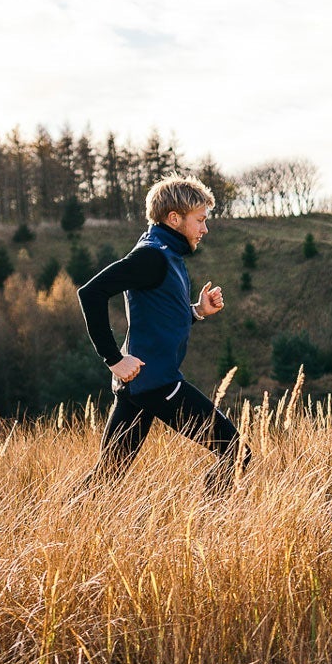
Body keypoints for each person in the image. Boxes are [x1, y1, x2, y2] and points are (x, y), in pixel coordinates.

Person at [77, 176, 249, 493]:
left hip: (139, 384)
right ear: (174, 218)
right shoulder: (151, 256)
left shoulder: (167, 253)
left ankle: (63, 521)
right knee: (236, 453)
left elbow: (158, 317)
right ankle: (212, 525)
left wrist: (196, 311)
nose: (204, 229)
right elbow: (91, 293)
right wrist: (113, 359)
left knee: (106, 478)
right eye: (199, 220)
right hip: (157, 383)